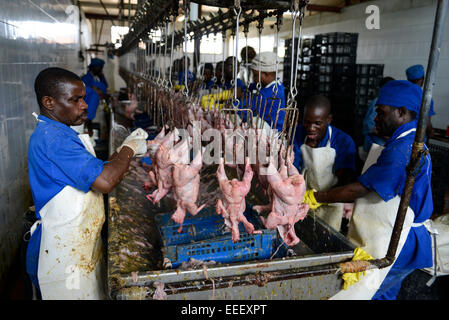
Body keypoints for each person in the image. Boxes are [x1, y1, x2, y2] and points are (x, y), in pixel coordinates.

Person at [25, 67, 148, 299]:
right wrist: (129, 149)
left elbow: (96, 170)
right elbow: (104, 181)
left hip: (76, 246)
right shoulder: (54, 139)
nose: (84, 105)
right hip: (64, 257)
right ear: (49, 102)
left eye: (83, 98)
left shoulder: (59, 131)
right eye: (75, 99)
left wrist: (121, 151)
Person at [305, 80, 433, 300]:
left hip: (401, 241)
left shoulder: (403, 149)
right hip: (403, 236)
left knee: (369, 292)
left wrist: (316, 197)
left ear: (401, 113)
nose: (375, 118)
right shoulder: (406, 140)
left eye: (381, 113)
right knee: (385, 294)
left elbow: (360, 189)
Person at [293, 95, 357, 231]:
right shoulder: (298, 133)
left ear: (328, 119)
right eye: (307, 122)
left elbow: (345, 177)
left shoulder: (343, 141)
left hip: (331, 201)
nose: (310, 128)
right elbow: (293, 165)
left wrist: (321, 197)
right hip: (303, 198)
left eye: (317, 123)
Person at [242, 52, 285, 133]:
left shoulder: (272, 93)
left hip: (272, 132)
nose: (254, 79)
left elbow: (247, 109)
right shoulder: (275, 84)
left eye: (255, 75)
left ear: (266, 74)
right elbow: (252, 86)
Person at [361, 77, 395, 159]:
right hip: (375, 145)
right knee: (372, 168)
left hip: (382, 145)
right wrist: (386, 137)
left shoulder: (391, 102)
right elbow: (369, 126)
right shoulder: (378, 102)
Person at [406, 64, 435, 138]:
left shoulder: (401, 94)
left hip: (399, 134)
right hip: (417, 137)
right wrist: (430, 130)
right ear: (423, 78)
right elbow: (427, 122)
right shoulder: (426, 98)